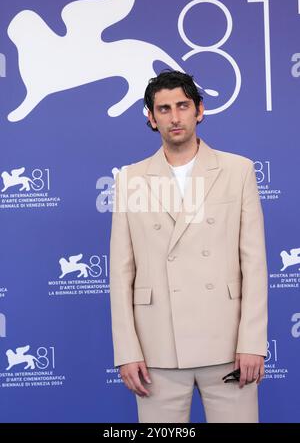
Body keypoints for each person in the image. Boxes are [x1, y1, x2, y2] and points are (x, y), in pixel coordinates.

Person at [109, 70, 268, 423]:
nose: (175, 116)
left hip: (228, 344)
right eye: (164, 109)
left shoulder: (237, 170)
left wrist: (253, 343)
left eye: (182, 105)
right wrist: (127, 350)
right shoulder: (131, 179)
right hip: (157, 349)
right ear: (151, 118)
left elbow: (254, 264)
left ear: (200, 110)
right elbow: (121, 272)